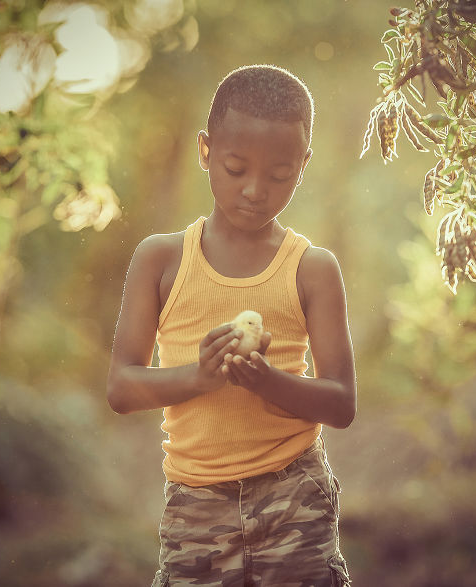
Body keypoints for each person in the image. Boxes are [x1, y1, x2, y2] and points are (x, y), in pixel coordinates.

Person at [107, 64, 356, 587]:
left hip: (295, 496)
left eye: (280, 175)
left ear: (303, 165)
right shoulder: (161, 260)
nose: (254, 191)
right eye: (236, 167)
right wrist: (199, 378)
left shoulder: (311, 268)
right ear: (205, 151)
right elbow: (122, 388)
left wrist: (267, 382)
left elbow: (341, 403)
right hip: (195, 507)